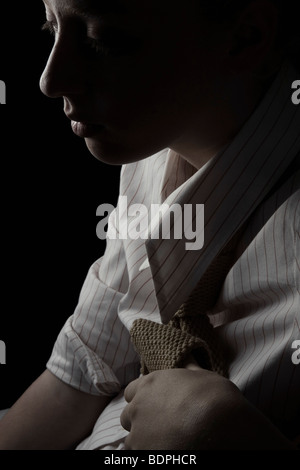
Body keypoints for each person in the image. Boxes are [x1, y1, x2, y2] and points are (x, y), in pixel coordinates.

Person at [0, 0, 299, 450]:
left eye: (102, 41)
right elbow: (80, 373)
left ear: (247, 37)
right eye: (51, 26)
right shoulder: (155, 146)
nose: (49, 80)